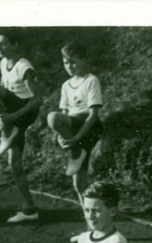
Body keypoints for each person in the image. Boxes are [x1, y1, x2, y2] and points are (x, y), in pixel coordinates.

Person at [0, 29, 43, 223]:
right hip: (14, 114)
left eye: (4, 44)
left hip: (25, 111)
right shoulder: (3, 63)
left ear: (16, 45)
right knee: (14, 164)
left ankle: (6, 131)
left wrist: (11, 117)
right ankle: (30, 208)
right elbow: (5, 88)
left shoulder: (23, 66)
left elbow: (37, 99)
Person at [46, 42, 103, 203]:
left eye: (73, 62)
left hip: (88, 126)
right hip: (73, 129)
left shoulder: (91, 80)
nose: (69, 66)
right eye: (65, 63)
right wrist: (61, 136)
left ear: (84, 60)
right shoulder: (66, 85)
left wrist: (76, 138)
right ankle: (90, 215)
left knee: (52, 117)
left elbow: (93, 115)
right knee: (79, 184)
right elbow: (64, 114)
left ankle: (76, 152)